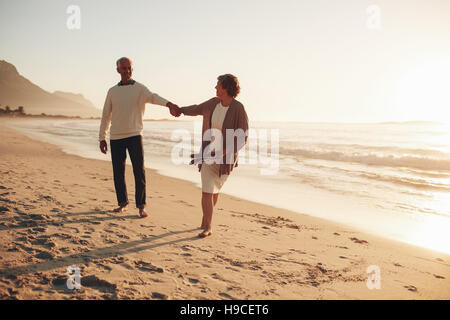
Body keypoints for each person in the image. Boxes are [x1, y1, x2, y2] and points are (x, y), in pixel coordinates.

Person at [98, 57, 180, 218]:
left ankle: (141, 206)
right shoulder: (112, 91)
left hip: (135, 135)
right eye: (124, 68)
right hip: (116, 137)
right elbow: (105, 115)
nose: (127, 71)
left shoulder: (140, 89)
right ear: (118, 70)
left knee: (139, 171)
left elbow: (154, 97)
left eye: (129, 68)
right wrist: (102, 137)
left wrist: (169, 104)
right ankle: (122, 203)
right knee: (118, 172)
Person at [179, 74, 249, 237]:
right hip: (208, 154)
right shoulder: (213, 103)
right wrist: (180, 110)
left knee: (214, 189)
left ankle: (206, 220)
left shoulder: (238, 108)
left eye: (218, 85)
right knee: (207, 191)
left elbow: (243, 136)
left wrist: (222, 152)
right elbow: (196, 108)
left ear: (226, 88)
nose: (215, 87)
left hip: (226, 158)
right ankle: (208, 227)